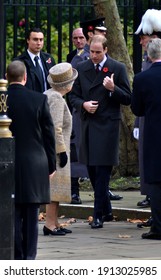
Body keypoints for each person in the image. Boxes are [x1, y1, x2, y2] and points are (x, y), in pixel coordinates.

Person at [69, 35, 131, 229]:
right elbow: (73, 96)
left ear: (106, 50)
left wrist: (113, 89)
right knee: (92, 171)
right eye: (92, 52)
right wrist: (83, 105)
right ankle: (107, 209)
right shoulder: (81, 68)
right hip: (88, 124)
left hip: (107, 126)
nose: (94, 56)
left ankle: (97, 215)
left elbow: (128, 98)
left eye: (98, 52)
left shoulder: (117, 68)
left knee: (102, 171)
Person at [6, 60, 56, 259]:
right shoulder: (38, 100)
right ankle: (29, 257)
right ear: (25, 77)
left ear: (7, 77)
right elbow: (48, 135)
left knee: (13, 213)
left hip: (8, 162)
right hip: (35, 162)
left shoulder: (3, 100)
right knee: (31, 214)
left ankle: (16, 255)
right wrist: (51, 165)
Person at [133, 9, 161, 228]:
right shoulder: (147, 58)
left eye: (144, 38)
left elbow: (138, 103)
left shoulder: (149, 67)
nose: (141, 41)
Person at [43, 62, 78, 235]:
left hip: (54, 149)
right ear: (67, 84)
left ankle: (54, 222)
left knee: (57, 190)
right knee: (54, 189)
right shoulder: (56, 98)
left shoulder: (51, 94)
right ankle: (49, 224)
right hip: (57, 151)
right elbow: (55, 127)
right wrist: (62, 151)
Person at [67, 28, 88, 204]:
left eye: (81, 37)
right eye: (76, 38)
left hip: (93, 110)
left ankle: (102, 192)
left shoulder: (91, 56)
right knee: (75, 150)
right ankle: (74, 190)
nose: (79, 41)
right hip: (77, 108)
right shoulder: (72, 57)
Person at [14, 27, 56, 93]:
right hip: (29, 101)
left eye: (41, 40)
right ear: (28, 40)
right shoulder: (19, 61)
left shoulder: (48, 59)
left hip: (47, 101)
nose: (39, 43)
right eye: (35, 39)